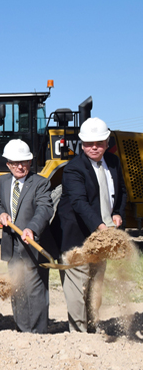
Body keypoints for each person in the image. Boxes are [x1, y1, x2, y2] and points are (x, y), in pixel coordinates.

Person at [51, 118, 127, 333]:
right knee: (77, 287)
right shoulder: (73, 169)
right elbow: (79, 203)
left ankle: (93, 327)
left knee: (96, 286)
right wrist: (102, 226)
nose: (94, 147)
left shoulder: (113, 161)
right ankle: (79, 333)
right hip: (76, 236)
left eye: (99, 142)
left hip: (103, 236)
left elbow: (121, 191)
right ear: (82, 144)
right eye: (89, 143)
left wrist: (118, 213)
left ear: (106, 141)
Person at [0, 139, 55, 333]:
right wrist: (0, 213)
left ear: (30, 162)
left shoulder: (40, 183)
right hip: (12, 247)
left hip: (32, 245)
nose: (20, 166)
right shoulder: (2, 181)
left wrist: (32, 229)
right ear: (8, 164)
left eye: (24, 162)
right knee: (17, 289)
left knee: (35, 292)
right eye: (15, 163)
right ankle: (22, 329)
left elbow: (45, 208)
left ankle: (38, 333)